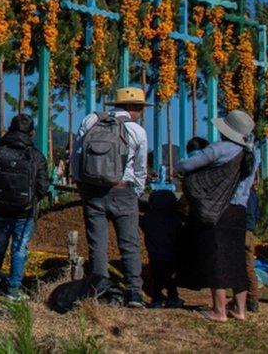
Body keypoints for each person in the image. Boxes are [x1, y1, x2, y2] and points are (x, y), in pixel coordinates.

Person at [70, 86, 149, 308]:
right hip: (123, 191)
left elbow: (77, 156)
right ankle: (134, 293)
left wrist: (80, 184)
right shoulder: (137, 131)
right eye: (140, 109)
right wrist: (136, 191)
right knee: (129, 244)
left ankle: (101, 291)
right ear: (132, 108)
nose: (141, 113)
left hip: (93, 191)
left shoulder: (91, 120)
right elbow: (141, 167)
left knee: (98, 244)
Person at [177, 109, 258, 322]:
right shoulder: (252, 153)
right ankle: (240, 310)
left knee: (216, 258)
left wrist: (179, 168)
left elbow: (187, 165)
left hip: (218, 209)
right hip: (240, 210)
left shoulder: (221, 149)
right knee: (237, 259)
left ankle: (219, 310)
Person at [0, 113, 49, 300]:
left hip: (1, 208)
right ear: (32, 133)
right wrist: (31, 200)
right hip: (25, 212)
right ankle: (13, 290)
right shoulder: (35, 156)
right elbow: (43, 186)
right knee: (19, 249)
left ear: (10, 129)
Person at [140, 189, 184, 308]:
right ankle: (173, 298)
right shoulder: (175, 219)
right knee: (171, 280)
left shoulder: (148, 218)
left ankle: (157, 301)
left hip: (154, 255)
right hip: (171, 255)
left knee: (156, 279)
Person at [245, 187, 260, 313]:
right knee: (249, 267)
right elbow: (257, 214)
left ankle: (251, 299)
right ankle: (252, 299)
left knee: (245, 268)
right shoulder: (253, 194)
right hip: (250, 231)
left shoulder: (244, 193)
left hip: (243, 231)